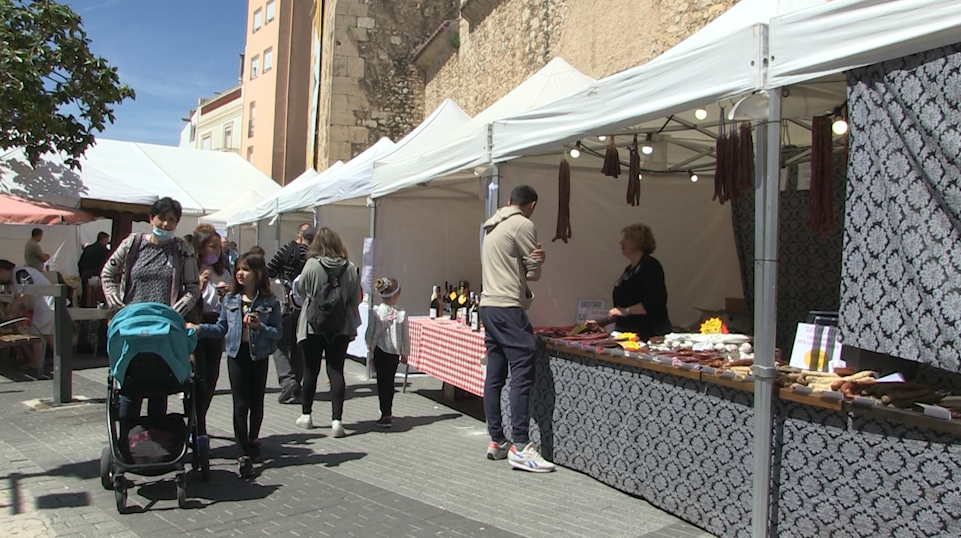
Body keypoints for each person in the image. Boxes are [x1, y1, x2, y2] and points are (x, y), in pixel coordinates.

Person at [101, 197, 201, 424]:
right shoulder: (132, 244)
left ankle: (156, 438)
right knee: (129, 385)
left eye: (171, 220)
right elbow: (108, 273)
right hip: (130, 326)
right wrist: (118, 307)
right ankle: (127, 437)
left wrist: (174, 313)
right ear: (151, 219)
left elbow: (193, 288)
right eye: (161, 218)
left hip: (163, 329)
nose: (165, 224)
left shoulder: (182, 250)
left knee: (159, 385)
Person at [479, 184, 554, 473]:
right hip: (508, 306)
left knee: (495, 374)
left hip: (488, 304)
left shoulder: (492, 226)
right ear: (532, 204)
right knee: (523, 370)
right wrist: (538, 262)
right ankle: (521, 446)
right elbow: (533, 273)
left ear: (510, 201)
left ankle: (497, 439)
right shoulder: (523, 224)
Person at [189, 253, 282, 478]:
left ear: (258, 273)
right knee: (239, 404)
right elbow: (221, 327)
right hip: (236, 355)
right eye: (238, 269)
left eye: (246, 269)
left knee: (256, 402)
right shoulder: (230, 299)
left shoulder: (270, 302)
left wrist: (259, 327)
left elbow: (277, 332)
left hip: (258, 356)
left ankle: (253, 439)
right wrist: (200, 329)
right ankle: (242, 452)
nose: (240, 273)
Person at [294, 227, 361, 437]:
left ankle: (306, 415)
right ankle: (337, 420)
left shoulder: (312, 264)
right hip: (340, 326)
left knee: (310, 369)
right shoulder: (350, 267)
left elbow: (301, 290)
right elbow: (355, 300)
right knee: (336, 370)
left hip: (313, 325)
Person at [190, 227, 231, 438]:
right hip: (196, 323)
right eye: (211, 246)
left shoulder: (223, 272)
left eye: (217, 248)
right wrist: (198, 286)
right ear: (201, 247)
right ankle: (196, 424)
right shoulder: (191, 269)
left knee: (212, 376)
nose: (215, 251)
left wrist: (227, 295)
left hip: (216, 324)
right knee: (198, 377)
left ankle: (199, 418)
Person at [268, 223, 315, 404]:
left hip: (285, 303)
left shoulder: (287, 249)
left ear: (300, 236)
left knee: (279, 344)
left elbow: (269, 269)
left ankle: (288, 380)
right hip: (305, 305)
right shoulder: (315, 256)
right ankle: (296, 383)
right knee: (299, 345)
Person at [603, 223, 672, 341]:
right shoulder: (629, 270)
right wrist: (600, 322)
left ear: (637, 241)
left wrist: (626, 311)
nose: (621, 242)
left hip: (649, 333)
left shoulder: (650, 265)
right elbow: (621, 309)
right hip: (630, 333)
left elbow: (655, 301)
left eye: (626, 238)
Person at [364, 277, 409, 428]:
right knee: (390, 382)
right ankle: (388, 410)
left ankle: (385, 413)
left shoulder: (376, 312)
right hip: (394, 353)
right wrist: (405, 352)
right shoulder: (401, 314)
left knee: (382, 382)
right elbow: (405, 336)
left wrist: (369, 346)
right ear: (397, 295)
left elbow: (369, 333)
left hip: (380, 351)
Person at [0, 260, 54, 376]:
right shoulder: (16, 278)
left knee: (37, 334)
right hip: (47, 304)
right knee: (47, 333)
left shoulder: (20, 272)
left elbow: (28, 290)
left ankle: (36, 362)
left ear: (3, 270)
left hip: (46, 303)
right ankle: (60, 359)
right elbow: (22, 302)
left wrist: (14, 306)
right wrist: (13, 314)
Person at [78, 232, 110, 307]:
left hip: (86, 273)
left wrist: (82, 272)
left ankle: (84, 305)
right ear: (103, 239)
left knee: (85, 293)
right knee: (97, 294)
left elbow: (80, 263)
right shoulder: (104, 251)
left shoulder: (88, 249)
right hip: (97, 274)